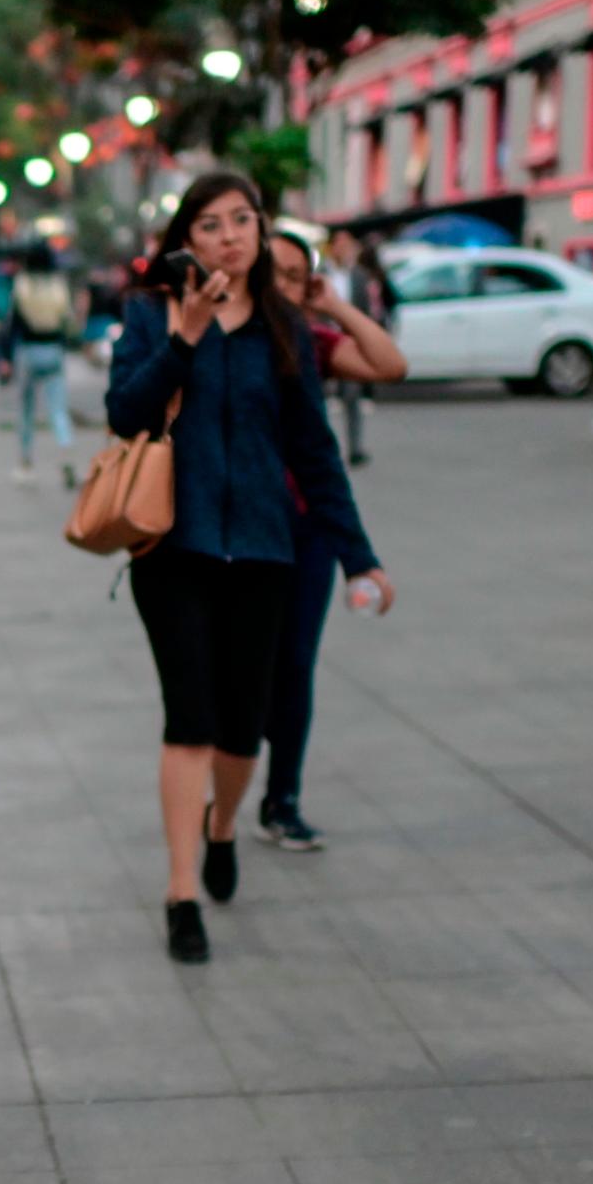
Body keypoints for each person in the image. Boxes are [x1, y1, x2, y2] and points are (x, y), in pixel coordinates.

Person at [106, 173, 391, 965]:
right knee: (188, 717)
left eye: (242, 220)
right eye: (210, 223)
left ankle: (224, 821)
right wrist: (183, 338)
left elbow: (314, 450)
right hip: (173, 550)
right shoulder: (149, 313)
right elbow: (123, 411)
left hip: (268, 549)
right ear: (185, 241)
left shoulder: (285, 327)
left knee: (242, 732)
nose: (229, 234)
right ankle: (180, 890)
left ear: (262, 233)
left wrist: (357, 556)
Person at [260, 231, 410, 852]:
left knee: (294, 668)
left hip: (304, 529)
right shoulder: (215, 343)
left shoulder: (310, 343)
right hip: (236, 531)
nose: (284, 285)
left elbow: (389, 366)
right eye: (276, 272)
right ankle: (223, 780)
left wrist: (335, 306)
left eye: (297, 276)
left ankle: (282, 799)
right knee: (238, 673)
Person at [0, 245, 79, 489]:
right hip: (53, 349)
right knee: (58, 409)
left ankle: (25, 461)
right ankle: (66, 454)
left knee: (26, 410)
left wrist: (5, 357)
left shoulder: (21, 285)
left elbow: (11, 323)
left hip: (29, 350)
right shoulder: (59, 285)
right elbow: (69, 323)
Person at [329, 230, 397, 467]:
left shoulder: (360, 276)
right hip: (321, 341)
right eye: (340, 244)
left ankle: (355, 448)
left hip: (348, 342)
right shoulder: (321, 274)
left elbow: (367, 312)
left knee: (352, 396)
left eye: (348, 245)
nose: (344, 250)